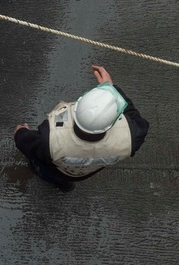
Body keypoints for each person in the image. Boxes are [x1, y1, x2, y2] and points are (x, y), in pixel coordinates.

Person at [13, 65, 150, 191]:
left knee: (43, 167)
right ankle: (64, 185)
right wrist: (112, 89)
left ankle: (59, 183)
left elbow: (24, 142)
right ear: (111, 122)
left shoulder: (48, 139)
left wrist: (20, 132)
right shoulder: (132, 137)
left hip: (60, 169)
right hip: (86, 172)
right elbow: (133, 116)